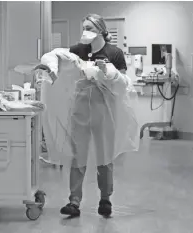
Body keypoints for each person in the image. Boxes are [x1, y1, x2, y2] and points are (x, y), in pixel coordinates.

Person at [59, 13, 128, 218]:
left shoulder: (114, 53)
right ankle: (74, 201)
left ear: (100, 30)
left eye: (89, 27)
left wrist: (107, 72)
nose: (85, 32)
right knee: (77, 156)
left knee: (104, 157)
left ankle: (105, 199)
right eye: (84, 27)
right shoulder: (77, 51)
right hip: (80, 110)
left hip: (104, 112)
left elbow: (124, 82)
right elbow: (63, 72)